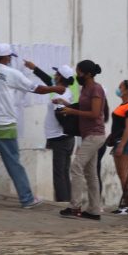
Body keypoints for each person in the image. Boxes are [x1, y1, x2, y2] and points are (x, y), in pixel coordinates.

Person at [0, 43, 63, 208]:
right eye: (10, 57)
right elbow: (37, 89)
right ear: (7, 57)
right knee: (13, 164)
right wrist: (56, 88)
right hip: (4, 127)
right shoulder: (11, 73)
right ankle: (26, 199)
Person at [59, 60, 108, 220]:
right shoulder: (86, 88)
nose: (77, 75)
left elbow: (94, 113)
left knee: (76, 166)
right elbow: (83, 107)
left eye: (79, 72)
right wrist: (66, 105)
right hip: (88, 135)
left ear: (87, 74)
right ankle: (94, 210)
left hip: (95, 135)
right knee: (90, 172)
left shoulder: (96, 88)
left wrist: (72, 111)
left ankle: (75, 207)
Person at [25, 60, 77, 202]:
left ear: (60, 77)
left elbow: (61, 116)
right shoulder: (66, 91)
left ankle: (62, 203)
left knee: (59, 174)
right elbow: (48, 81)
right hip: (67, 139)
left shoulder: (59, 97)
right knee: (64, 173)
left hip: (58, 139)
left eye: (56, 73)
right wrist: (34, 68)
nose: (54, 75)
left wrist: (64, 128)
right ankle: (68, 201)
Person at [108, 79, 128, 215]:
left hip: (126, 142)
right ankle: (126, 204)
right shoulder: (122, 105)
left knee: (124, 175)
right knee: (122, 174)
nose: (118, 88)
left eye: (120, 86)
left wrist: (121, 145)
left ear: (126, 90)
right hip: (119, 141)